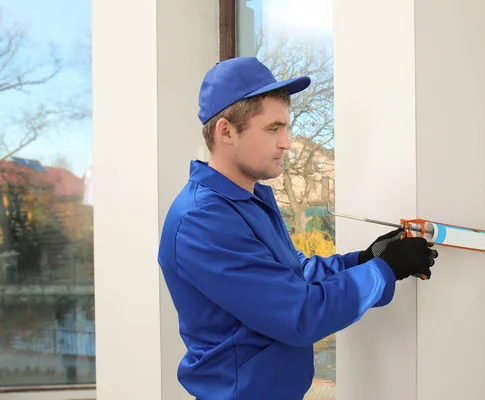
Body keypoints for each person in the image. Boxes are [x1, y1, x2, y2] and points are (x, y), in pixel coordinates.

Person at [157, 56, 438, 400]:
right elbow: (300, 314)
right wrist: (383, 270)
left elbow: (294, 275)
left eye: (285, 128)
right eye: (273, 129)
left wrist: (364, 259)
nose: (287, 142)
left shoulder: (248, 201)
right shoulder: (203, 220)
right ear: (226, 131)